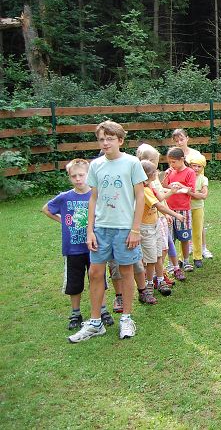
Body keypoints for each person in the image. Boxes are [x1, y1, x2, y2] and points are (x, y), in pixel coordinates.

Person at [68, 121, 147, 343]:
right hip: (101, 228)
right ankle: (95, 323)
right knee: (95, 272)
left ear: (120, 140)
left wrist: (135, 229)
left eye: (110, 139)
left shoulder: (132, 163)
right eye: (101, 139)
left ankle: (126, 318)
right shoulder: (96, 165)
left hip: (125, 228)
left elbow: (140, 196)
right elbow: (93, 198)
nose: (105, 143)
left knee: (126, 272)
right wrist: (90, 230)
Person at [42, 159, 113, 330]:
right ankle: (75, 313)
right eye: (74, 176)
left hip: (94, 247)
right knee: (74, 283)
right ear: (69, 177)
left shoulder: (96, 195)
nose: (78, 179)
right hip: (73, 248)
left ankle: (102, 310)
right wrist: (62, 221)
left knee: (98, 278)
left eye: (81, 175)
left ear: (89, 175)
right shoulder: (65, 197)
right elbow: (46, 209)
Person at [136, 143, 181, 285]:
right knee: (157, 251)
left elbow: (159, 195)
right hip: (151, 223)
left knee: (162, 249)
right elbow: (158, 202)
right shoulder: (144, 187)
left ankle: (158, 275)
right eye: (156, 162)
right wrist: (174, 214)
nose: (157, 168)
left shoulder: (150, 182)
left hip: (158, 219)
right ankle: (154, 277)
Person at [162, 147, 196, 271]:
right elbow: (164, 187)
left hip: (183, 209)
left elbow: (191, 190)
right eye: (170, 162)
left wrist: (180, 185)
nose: (171, 165)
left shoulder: (190, 172)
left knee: (184, 237)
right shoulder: (171, 172)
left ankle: (186, 261)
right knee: (170, 238)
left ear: (182, 159)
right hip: (169, 210)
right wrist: (166, 176)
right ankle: (172, 264)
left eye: (173, 162)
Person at [188, 154, 211, 266]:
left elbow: (204, 195)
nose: (196, 168)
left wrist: (190, 193)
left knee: (197, 232)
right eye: (194, 165)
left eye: (199, 166)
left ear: (203, 168)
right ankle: (183, 258)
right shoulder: (186, 176)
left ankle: (197, 257)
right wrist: (197, 194)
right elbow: (182, 193)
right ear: (190, 166)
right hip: (185, 208)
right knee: (185, 233)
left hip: (198, 208)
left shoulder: (203, 179)